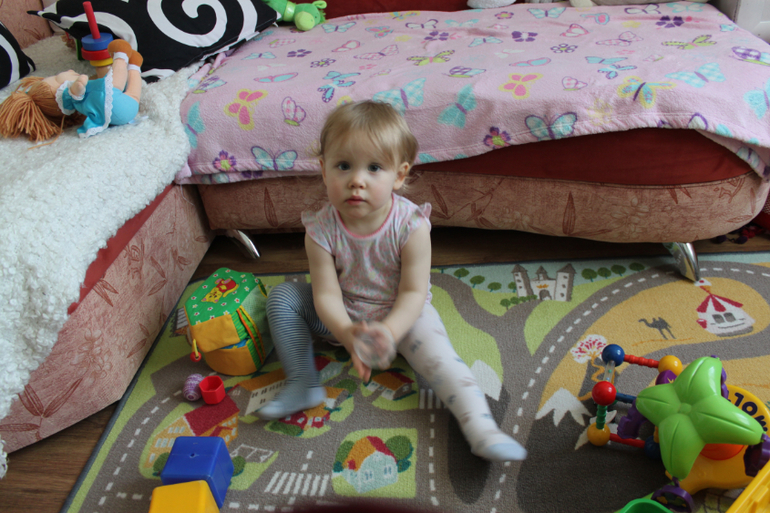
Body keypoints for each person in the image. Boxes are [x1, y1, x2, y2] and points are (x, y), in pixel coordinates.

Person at [262, 100, 527, 462]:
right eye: (343, 166)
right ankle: (302, 382)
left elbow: (414, 292)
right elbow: (325, 295)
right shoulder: (320, 229)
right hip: (345, 312)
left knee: (444, 363)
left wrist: (389, 332)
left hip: (404, 316)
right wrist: (347, 333)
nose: (357, 180)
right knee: (282, 298)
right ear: (323, 170)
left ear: (399, 176)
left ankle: (481, 427)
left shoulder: (411, 226)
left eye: (374, 168)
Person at [0, 39, 142, 142]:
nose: (68, 70)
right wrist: (78, 85)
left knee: (133, 95)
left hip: (129, 110)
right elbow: (76, 91)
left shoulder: (74, 105)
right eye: (57, 77)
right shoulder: (67, 93)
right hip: (112, 104)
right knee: (112, 85)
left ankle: (134, 67)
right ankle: (121, 57)